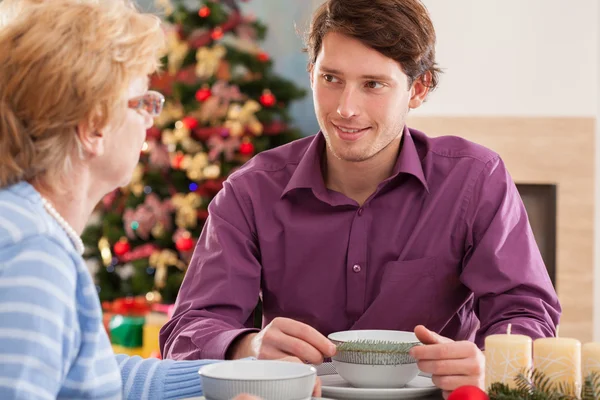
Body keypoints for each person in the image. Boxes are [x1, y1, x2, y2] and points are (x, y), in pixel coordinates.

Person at [160, 0, 561, 396]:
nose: (345, 108)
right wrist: (248, 347)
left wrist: (492, 363)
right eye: (331, 78)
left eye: (373, 85)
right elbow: (188, 330)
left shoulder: (474, 179)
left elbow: (525, 310)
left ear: (417, 89)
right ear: (311, 73)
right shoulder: (250, 192)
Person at [0, 0, 320, 399]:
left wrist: (246, 374)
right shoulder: (33, 253)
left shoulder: (28, 229)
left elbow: (96, 374)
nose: (152, 119)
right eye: (142, 102)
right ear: (94, 125)